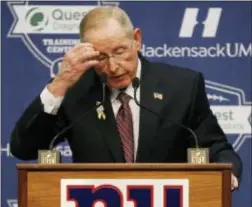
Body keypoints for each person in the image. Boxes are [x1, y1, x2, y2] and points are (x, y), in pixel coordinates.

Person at [10, 6, 242, 190]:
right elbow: (24, 148)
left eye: (120, 51)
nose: (112, 67)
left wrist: (227, 173)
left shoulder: (182, 86)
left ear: (137, 39)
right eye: (101, 57)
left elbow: (215, 147)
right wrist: (59, 84)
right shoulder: (75, 92)